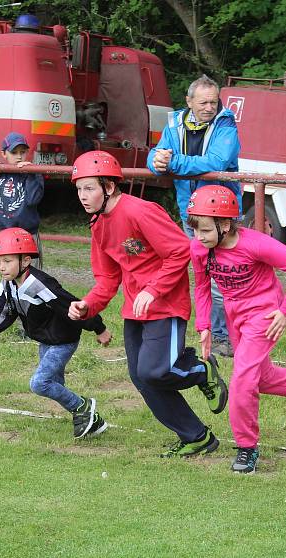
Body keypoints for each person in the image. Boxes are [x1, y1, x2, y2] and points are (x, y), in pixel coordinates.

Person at [68, 150, 227, 457]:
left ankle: (201, 370)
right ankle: (196, 437)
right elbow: (107, 278)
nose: (82, 196)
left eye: (89, 188)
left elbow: (180, 251)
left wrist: (153, 290)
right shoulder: (98, 225)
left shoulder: (140, 211)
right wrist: (88, 305)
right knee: (141, 377)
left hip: (166, 305)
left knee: (155, 371)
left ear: (109, 187)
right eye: (78, 189)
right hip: (136, 310)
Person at [187, 185, 286, 474]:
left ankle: (247, 448)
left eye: (204, 231)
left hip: (263, 314)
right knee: (258, 378)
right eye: (195, 231)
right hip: (234, 315)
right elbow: (201, 286)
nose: (198, 238)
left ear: (225, 224)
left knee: (241, 380)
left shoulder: (255, 244)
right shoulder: (200, 249)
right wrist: (204, 325)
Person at [0, 227, 112, 438]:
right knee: (56, 386)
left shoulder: (39, 284)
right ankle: (94, 422)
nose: (1, 267)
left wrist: (99, 328)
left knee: (40, 383)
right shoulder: (7, 284)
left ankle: (83, 406)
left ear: (25, 261)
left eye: (7, 261)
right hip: (45, 341)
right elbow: (4, 313)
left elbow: (70, 305)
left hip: (63, 340)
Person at [147, 74, 241, 357]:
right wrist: (156, 161)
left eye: (213, 101)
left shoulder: (226, 125)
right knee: (201, 274)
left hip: (221, 212)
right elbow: (156, 157)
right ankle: (209, 333)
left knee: (222, 276)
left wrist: (173, 161)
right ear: (188, 102)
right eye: (203, 102)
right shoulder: (174, 124)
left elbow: (217, 161)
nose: (209, 107)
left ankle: (226, 336)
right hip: (191, 211)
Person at [0, 132, 44, 269]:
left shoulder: (33, 172)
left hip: (27, 233)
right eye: (14, 152)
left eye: (22, 152)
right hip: (5, 232)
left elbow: (33, 200)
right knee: (8, 272)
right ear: (4, 154)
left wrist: (31, 174)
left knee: (31, 274)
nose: (19, 156)